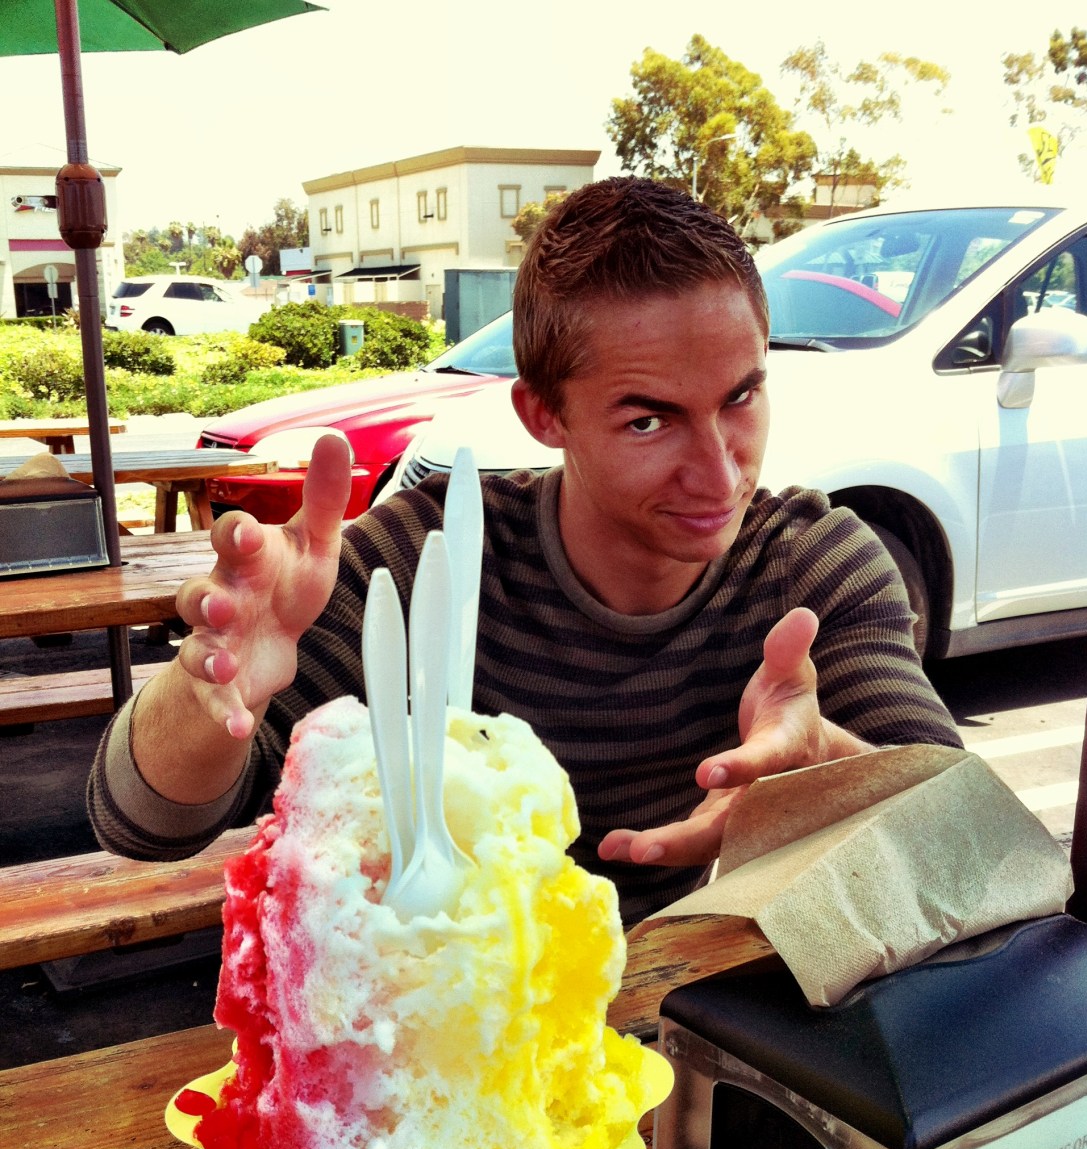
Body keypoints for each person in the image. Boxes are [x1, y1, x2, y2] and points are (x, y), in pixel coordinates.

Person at [88, 177, 960, 926]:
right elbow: (139, 826)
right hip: (441, 1035)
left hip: (690, 1033)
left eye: (739, 397)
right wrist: (211, 691)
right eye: (648, 419)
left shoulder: (811, 568)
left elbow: (968, 851)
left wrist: (823, 770)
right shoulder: (426, 561)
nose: (716, 470)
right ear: (544, 416)